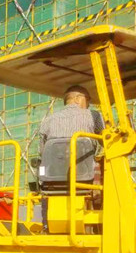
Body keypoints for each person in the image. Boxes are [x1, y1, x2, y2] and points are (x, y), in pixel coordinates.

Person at [37, 85, 105, 230]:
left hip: (52, 181)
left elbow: (42, 152)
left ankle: (46, 225)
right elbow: (107, 141)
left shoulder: (48, 120)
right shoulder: (93, 115)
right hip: (85, 179)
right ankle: (99, 224)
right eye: (88, 99)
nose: (89, 104)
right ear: (78, 99)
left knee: (42, 172)